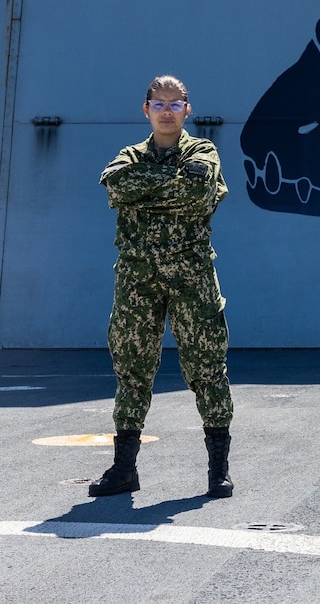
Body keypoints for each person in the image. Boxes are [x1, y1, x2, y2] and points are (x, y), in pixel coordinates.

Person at [89, 75, 235, 498]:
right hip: (137, 279)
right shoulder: (128, 156)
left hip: (192, 277)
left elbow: (197, 189)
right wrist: (167, 183)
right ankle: (123, 470)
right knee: (132, 370)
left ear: (187, 110)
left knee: (207, 368)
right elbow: (116, 185)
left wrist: (145, 189)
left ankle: (217, 470)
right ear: (146, 109)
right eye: (159, 104)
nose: (167, 111)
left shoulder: (202, 151)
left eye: (175, 104)